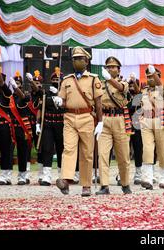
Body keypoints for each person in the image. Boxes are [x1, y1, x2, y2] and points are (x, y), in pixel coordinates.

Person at [54, 47, 104, 197]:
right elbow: (63, 101)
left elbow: (98, 102)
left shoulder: (94, 79)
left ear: (86, 61)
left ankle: (86, 185)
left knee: (87, 153)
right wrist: (58, 101)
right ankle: (66, 180)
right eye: (74, 58)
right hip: (69, 117)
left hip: (86, 117)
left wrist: (100, 122)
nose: (75, 61)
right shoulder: (67, 80)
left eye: (79, 58)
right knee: (68, 148)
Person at [95, 56, 132, 195]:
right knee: (103, 155)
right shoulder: (100, 83)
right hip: (104, 120)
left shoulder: (123, 82)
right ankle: (104, 185)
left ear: (118, 69)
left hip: (119, 120)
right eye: (108, 67)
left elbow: (121, 88)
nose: (110, 69)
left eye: (113, 67)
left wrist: (109, 79)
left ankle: (125, 183)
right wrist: (98, 121)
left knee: (123, 156)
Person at [139, 65, 164, 190]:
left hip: (160, 121)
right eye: (148, 77)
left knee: (162, 151)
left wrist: (155, 75)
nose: (150, 79)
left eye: (152, 76)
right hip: (147, 121)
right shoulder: (144, 90)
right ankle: (147, 178)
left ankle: (163, 178)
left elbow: (160, 86)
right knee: (147, 149)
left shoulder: (163, 88)